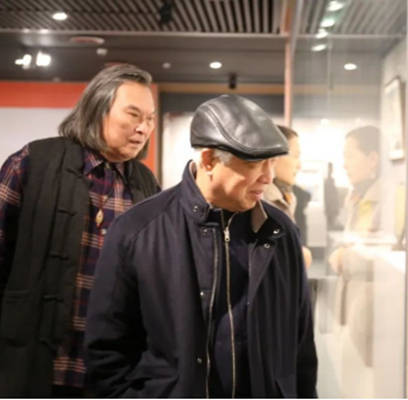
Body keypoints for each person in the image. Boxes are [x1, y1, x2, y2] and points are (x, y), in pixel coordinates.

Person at [84, 95, 318, 398]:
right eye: (253, 163)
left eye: (272, 162)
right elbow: (106, 353)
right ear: (208, 160)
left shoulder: (281, 232)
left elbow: (301, 347)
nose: (268, 177)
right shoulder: (137, 231)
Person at [0, 64, 161, 397]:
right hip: (32, 357)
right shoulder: (34, 161)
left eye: (150, 119)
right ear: (97, 108)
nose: (143, 128)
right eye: (133, 114)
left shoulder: (146, 185)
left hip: (112, 372)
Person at [263, 125, 312, 267]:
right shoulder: (259, 201)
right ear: (274, 157)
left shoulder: (287, 196)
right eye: (295, 156)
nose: (299, 165)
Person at [341, 126, 381, 233]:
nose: (344, 165)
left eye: (349, 156)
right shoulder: (355, 197)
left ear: (373, 159)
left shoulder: (386, 203)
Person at [323, 162, 342, 231]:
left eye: (331, 169)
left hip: (331, 209)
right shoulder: (327, 182)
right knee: (330, 227)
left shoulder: (331, 181)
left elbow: (334, 197)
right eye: (330, 168)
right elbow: (330, 197)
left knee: (330, 227)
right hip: (330, 209)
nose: (331, 170)